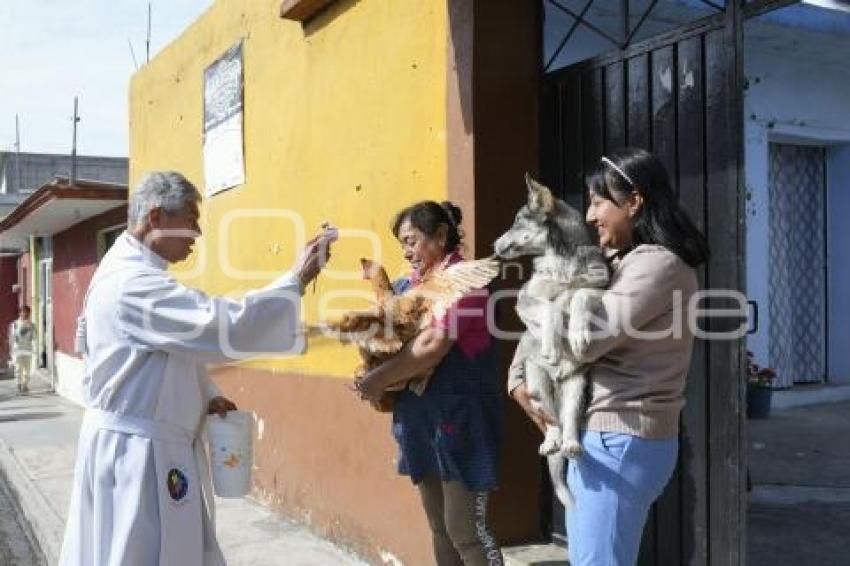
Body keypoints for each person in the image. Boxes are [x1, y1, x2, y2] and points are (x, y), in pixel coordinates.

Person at [59, 171, 335, 566]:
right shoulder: (133, 284)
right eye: (190, 219)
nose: (198, 233)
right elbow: (217, 323)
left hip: (142, 442)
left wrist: (205, 395)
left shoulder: (128, 269)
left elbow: (171, 349)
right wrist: (294, 281)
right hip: (139, 454)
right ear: (155, 217)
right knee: (141, 552)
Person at [508, 148, 709, 566]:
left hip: (621, 436)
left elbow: (584, 342)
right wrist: (517, 379)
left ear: (634, 202)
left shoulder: (657, 265)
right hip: (601, 436)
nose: (588, 215)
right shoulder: (616, 261)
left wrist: (528, 306)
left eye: (599, 201)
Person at [355, 201, 504, 566]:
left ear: (440, 236)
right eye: (402, 244)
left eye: (412, 241)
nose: (406, 252)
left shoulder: (465, 283)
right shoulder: (407, 287)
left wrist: (377, 380)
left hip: (462, 422)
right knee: (439, 526)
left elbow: (432, 345)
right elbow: (390, 340)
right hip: (421, 423)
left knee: (466, 531)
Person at [9, 305, 34, 394]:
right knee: (18, 369)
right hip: (18, 350)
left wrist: (30, 331)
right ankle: (18, 385)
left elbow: (33, 337)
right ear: (20, 313)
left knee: (27, 370)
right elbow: (12, 338)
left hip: (27, 349)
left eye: (27, 312)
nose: (25, 314)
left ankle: (25, 385)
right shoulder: (15, 324)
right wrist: (11, 351)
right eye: (23, 312)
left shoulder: (31, 324)